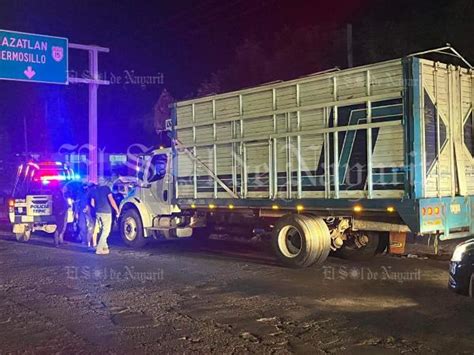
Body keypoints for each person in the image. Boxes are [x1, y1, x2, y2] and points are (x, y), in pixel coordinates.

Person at [88, 183, 120, 255]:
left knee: (102, 229)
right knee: (106, 231)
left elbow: (92, 204)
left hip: (98, 212)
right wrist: (117, 210)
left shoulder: (94, 191)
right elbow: (111, 200)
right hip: (106, 212)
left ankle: (105, 246)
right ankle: (99, 249)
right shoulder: (106, 189)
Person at [77, 184, 95, 248]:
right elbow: (78, 203)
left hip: (90, 212)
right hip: (82, 211)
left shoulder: (90, 194)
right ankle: (84, 240)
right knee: (82, 226)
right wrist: (76, 212)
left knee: (90, 227)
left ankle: (89, 241)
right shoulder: (81, 194)